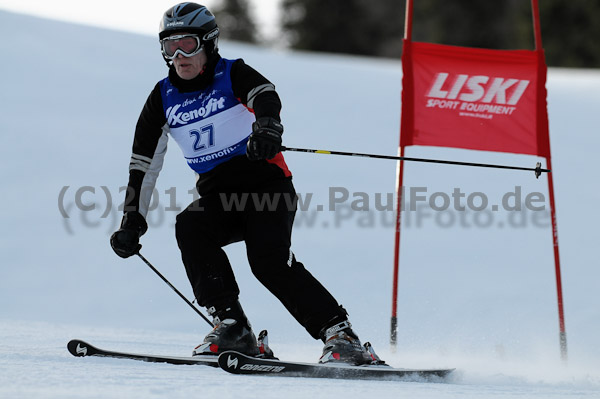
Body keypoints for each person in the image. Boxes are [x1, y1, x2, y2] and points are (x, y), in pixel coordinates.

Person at [110, 2, 376, 365]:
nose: (178, 56)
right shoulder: (162, 97)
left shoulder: (231, 73)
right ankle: (233, 326)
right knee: (191, 225)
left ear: (209, 43)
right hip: (221, 198)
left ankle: (340, 335)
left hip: (268, 189)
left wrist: (267, 127)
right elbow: (143, 164)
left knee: (268, 262)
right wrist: (131, 219)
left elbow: (265, 95)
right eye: (169, 47)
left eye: (187, 44)